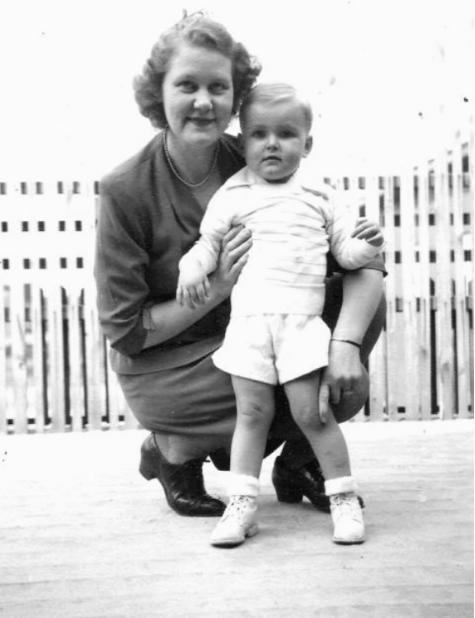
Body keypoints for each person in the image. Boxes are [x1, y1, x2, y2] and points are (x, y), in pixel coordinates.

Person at [94, 11, 386, 521]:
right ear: (158, 94)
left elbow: (362, 263)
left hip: (255, 337)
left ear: (236, 97)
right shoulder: (126, 188)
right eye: (187, 85)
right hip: (168, 368)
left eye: (218, 86)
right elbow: (126, 332)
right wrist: (216, 287)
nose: (203, 101)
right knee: (280, 381)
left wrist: (345, 346)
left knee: (357, 316)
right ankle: (175, 450)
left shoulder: (258, 153)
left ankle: (299, 462)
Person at [176, 83, 384, 546]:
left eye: (286, 134)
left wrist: (365, 243)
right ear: (243, 139)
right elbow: (206, 245)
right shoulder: (232, 194)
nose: (271, 143)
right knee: (251, 413)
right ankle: (241, 505)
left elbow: (347, 255)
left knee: (313, 413)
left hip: (301, 325)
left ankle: (343, 498)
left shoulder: (319, 195)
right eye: (259, 134)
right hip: (250, 326)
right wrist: (191, 269)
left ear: (307, 144)